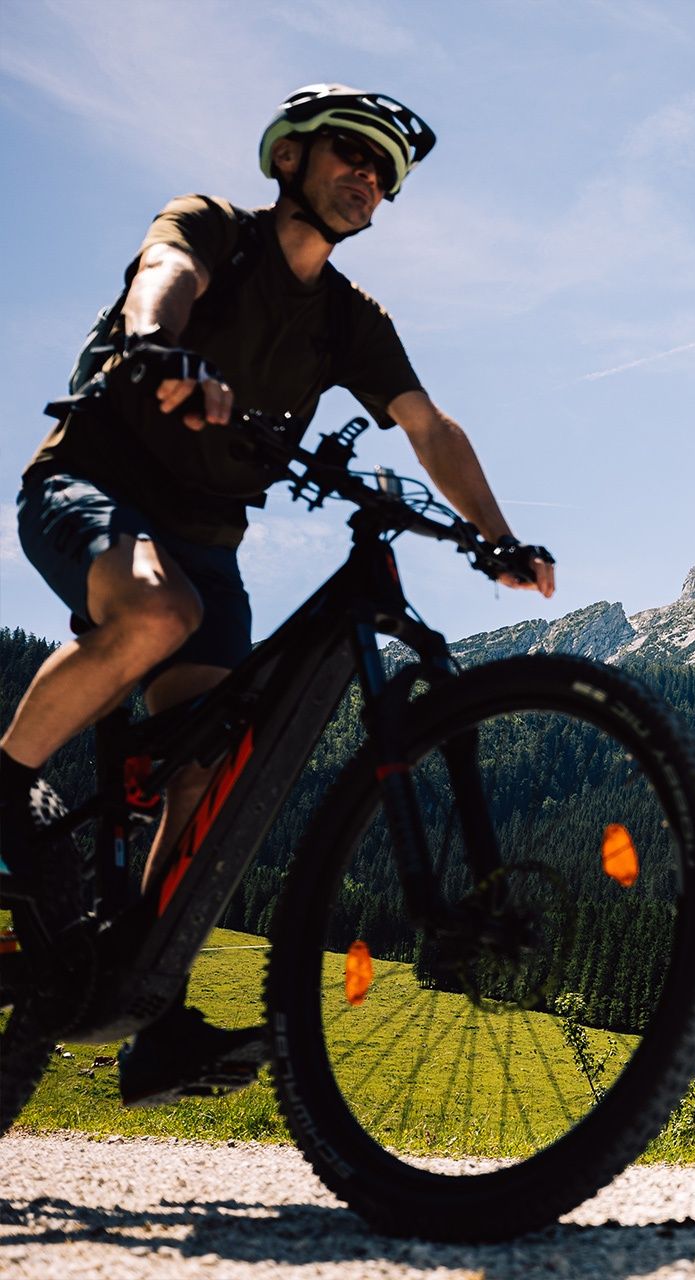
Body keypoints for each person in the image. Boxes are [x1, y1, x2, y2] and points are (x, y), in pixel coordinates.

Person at [0, 85, 556, 1103]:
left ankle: (147, 1013)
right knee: (155, 614)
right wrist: (159, 345)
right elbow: (163, 277)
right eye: (354, 155)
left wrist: (496, 535)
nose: (369, 180)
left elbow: (428, 427)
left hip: (210, 541)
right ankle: (3, 780)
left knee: (208, 770)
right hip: (93, 485)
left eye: (385, 175)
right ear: (291, 156)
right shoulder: (216, 226)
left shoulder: (351, 320)